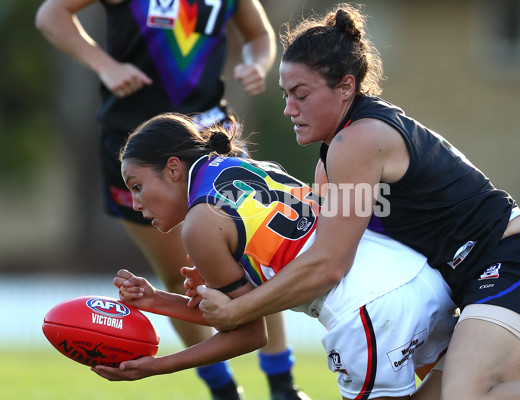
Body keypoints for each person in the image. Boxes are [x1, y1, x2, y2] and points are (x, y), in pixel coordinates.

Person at [192, 3, 520, 400]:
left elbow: (329, 265)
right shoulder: (331, 162)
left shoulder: (358, 141)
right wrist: (210, 294)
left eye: (301, 94)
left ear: (346, 86)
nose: (288, 109)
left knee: (467, 396)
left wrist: (238, 311)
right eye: (285, 95)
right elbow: (309, 260)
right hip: (483, 289)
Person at [34, 1, 306, 399]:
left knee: (259, 257)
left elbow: (259, 35)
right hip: (136, 150)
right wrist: (104, 65)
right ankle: (223, 388)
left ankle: (282, 383)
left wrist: (255, 62)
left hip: (208, 137)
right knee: (180, 273)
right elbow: (50, 14)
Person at [90, 112, 458, 400]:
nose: (135, 204)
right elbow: (246, 306)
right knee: (465, 388)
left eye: (138, 186)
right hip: (418, 278)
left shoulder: (200, 224)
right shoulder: (247, 167)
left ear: (172, 168)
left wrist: (158, 366)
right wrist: (156, 300)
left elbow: (248, 334)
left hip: (370, 311)